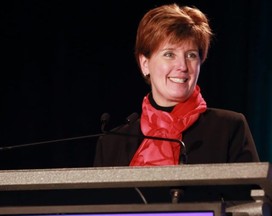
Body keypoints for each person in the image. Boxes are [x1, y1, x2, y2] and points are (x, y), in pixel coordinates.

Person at [93, 3, 260, 167]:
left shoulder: (229, 129)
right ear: (145, 64)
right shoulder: (112, 142)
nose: (183, 66)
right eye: (169, 54)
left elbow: (249, 194)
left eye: (191, 55)